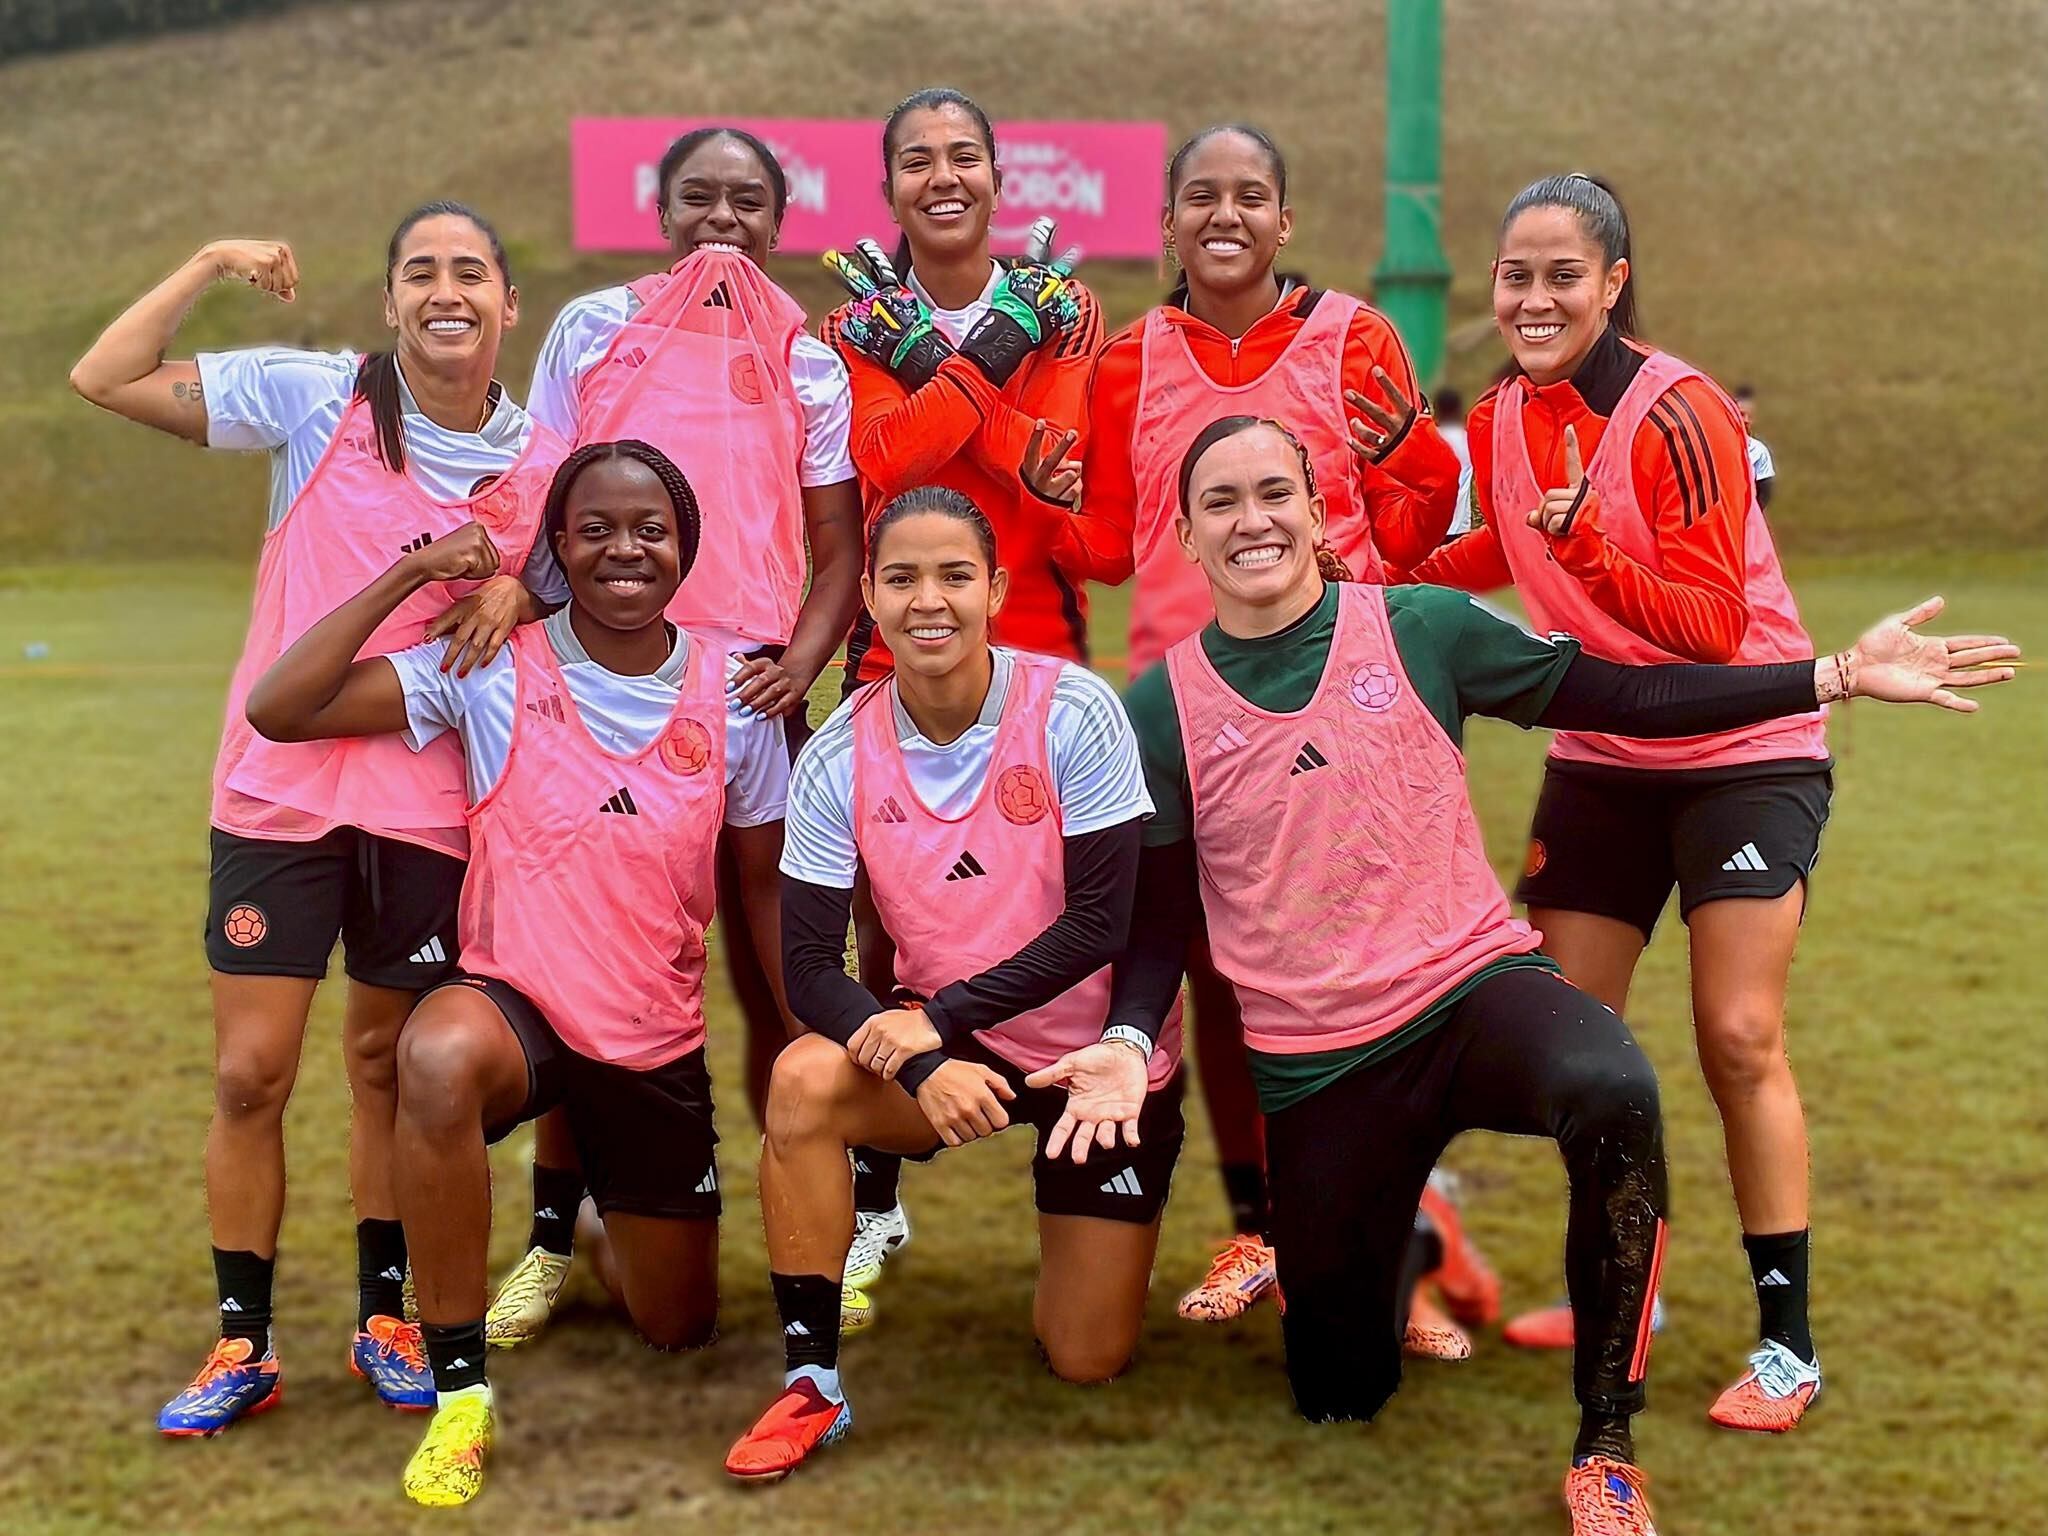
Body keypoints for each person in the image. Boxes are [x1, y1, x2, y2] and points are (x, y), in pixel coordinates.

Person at [1116, 415, 2013, 1534]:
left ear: (1314, 508)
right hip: (1318, 1061)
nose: (1252, 520)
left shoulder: (1418, 628)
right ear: (1189, 539)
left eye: (1272, 493)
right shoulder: (1156, 709)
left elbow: (1621, 699)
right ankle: (1408, 1248)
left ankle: (1604, 1440)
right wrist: (1119, 1043)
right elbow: (1153, 927)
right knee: (1336, 1395)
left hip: (1467, 990)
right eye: (1220, 503)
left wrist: (1825, 674)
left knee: (1612, 1087)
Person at [1408, 173, 1909, 1429]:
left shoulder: (1675, 409)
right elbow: (1503, 551)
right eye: (1513, 277)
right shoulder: (1509, 418)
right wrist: (1379, 559)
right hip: (1599, 758)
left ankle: (1785, 1346)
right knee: (1575, 1051)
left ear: (1612, 281)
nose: (1531, 298)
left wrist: (1581, 551)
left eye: (1560, 276)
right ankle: (1625, 1291)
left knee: (1736, 1037)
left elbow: (1708, 625)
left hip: (1746, 744)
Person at [69, 204, 567, 1434]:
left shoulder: (544, 458)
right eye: (418, 273)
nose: (444, 292)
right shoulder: (318, 397)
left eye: (469, 273)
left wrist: (516, 582)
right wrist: (204, 263)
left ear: (509, 303)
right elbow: (105, 376)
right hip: (275, 791)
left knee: (383, 1070)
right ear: (390, 302)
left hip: (427, 805)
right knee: (250, 1074)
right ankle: (241, 1343)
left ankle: (385, 1316)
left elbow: (562, 623)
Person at [244, 440, 793, 1506]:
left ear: (684, 548)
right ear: (554, 549)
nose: (622, 549)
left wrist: (798, 1020)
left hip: (649, 1036)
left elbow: (765, 888)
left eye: (649, 529)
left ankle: (586, 1222)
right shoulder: (492, 661)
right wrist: (412, 575)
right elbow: (283, 707)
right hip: (517, 1010)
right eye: (592, 529)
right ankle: (459, 1394)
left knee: (675, 1328)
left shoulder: (736, 689)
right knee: (434, 1059)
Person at [1018, 123, 1475, 1336]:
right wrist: (1045, 494)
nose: (1224, 214)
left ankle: (1396, 1247)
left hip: (1353, 704)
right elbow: (1107, 551)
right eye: (1199, 196)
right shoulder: (1127, 360)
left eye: (1250, 195)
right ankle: (1259, 1223)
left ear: (1284, 221)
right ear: (1167, 223)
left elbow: (1418, 522)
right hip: (1194, 711)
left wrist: (1404, 449)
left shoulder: (1353, 338)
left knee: (1381, 980)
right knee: (1220, 978)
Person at [722, 486, 1179, 1483]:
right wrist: (924, 1055)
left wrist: (933, 1024)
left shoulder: (1073, 709)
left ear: (995, 588)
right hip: (948, 1042)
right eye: (900, 578)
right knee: (801, 1080)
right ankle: (810, 1384)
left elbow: (1105, 924)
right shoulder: (838, 752)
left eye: (954, 575)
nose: (929, 600)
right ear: (869, 604)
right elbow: (807, 969)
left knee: (1084, 1357)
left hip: (1094, 1057)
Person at [493, 126, 861, 1350]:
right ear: (660, 214)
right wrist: (532, 627)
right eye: (698, 196)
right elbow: (539, 484)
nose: (721, 217)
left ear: (778, 220)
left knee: (772, 986)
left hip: (744, 703)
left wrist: (797, 664)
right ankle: (555, 1237)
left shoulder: (809, 362)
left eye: (746, 200)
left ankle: (806, 1237)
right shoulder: (593, 326)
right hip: (595, 691)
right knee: (577, 984)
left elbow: (836, 549)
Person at [817, 86, 1106, 1326]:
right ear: (889, 190)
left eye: (966, 157)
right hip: (901, 653)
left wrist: (937, 379)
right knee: (886, 935)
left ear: (999, 177)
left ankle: (1090, 1155)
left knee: (1072, 913)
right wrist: (986, 363)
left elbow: (1060, 486)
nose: (945, 178)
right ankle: (875, 1195)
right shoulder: (853, 325)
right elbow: (883, 470)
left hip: (1038, 641)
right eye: (918, 162)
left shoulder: (1069, 310)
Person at [1434, 386, 1477, 537]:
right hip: (1459, 526)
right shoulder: (1469, 440)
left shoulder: (1429, 439)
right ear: (1459, 410)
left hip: (1430, 528)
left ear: (1436, 410)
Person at [1733, 384, 1776, 509]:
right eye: (1741, 414)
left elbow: (1764, 491)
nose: (1745, 420)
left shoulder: (1759, 451)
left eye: (1749, 416)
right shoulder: (1717, 447)